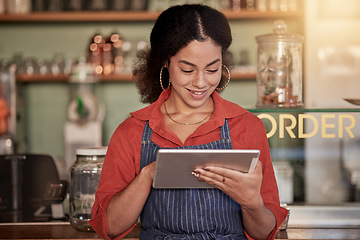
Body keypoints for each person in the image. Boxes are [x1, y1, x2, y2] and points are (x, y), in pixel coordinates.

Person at [89, 4, 288, 240]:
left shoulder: (246, 127)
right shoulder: (131, 131)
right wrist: (148, 175)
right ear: (165, 62)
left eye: (212, 69)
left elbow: (264, 233)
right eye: (187, 69)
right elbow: (110, 227)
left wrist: (252, 203)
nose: (201, 82)